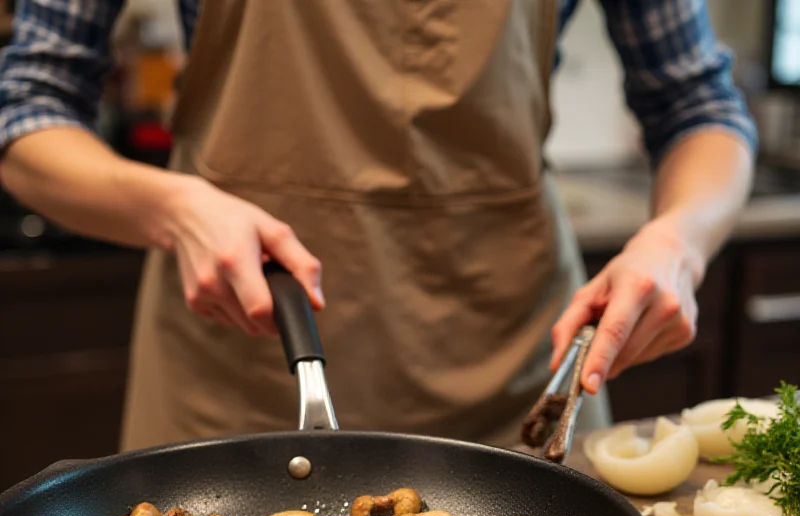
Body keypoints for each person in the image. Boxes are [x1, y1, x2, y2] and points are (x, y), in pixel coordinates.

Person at [0, 1, 756, 451]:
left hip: (510, 369)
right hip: (240, 360)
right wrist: (174, 207)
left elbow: (700, 109)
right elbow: (26, 110)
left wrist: (677, 246)